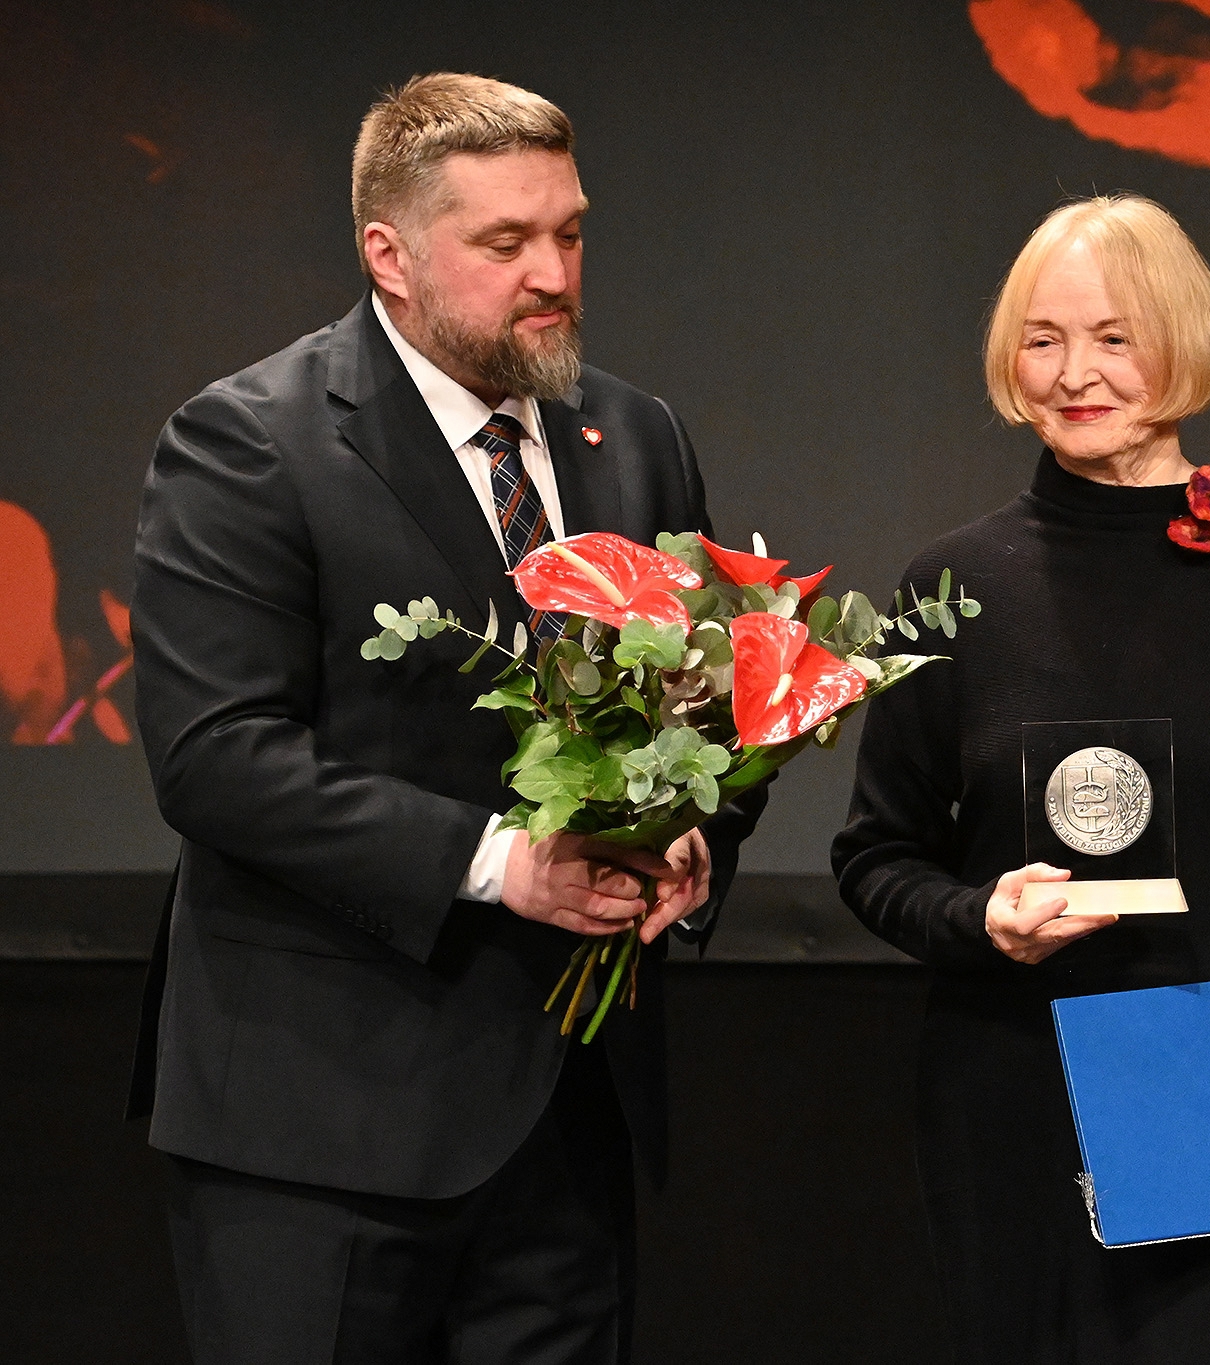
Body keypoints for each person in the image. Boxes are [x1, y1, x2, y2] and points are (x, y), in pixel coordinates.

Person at [128, 73, 766, 1364]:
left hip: (565, 1123)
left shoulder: (635, 437)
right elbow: (217, 759)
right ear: (392, 254)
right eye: (506, 242)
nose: (553, 271)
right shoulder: (250, 443)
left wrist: (692, 841)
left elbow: (715, 700)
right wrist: (504, 863)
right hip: (320, 1129)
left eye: (570, 233)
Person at [832, 195, 1210, 1363]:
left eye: (1112, 336)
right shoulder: (952, 580)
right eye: (1041, 339)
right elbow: (875, 855)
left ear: (1182, 341)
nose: (1073, 373)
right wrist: (976, 916)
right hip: (1010, 1107)